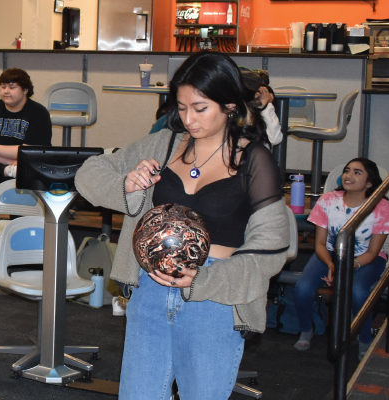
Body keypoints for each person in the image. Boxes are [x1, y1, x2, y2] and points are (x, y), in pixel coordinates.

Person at [75, 51, 289, 399]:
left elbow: (274, 245)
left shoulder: (253, 159)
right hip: (150, 290)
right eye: (182, 106)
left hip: (215, 298)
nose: (189, 118)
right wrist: (127, 184)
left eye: (200, 108)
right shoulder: (164, 144)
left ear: (230, 106)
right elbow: (89, 173)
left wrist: (205, 279)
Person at [293, 157, 389, 356]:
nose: (349, 175)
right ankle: (306, 329)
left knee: (358, 291)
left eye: (357, 172)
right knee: (302, 288)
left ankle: (364, 340)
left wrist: (346, 267)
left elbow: (373, 252)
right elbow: (319, 244)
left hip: (365, 258)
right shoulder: (328, 200)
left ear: (370, 182)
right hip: (330, 253)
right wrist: (331, 264)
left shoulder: (381, 206)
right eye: (347, 170)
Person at [238, 67, 282, 146]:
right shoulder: (235, 111)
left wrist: (267, 106)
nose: (258, 95)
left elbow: (275, 139)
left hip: (258, 154)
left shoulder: (264, 111)